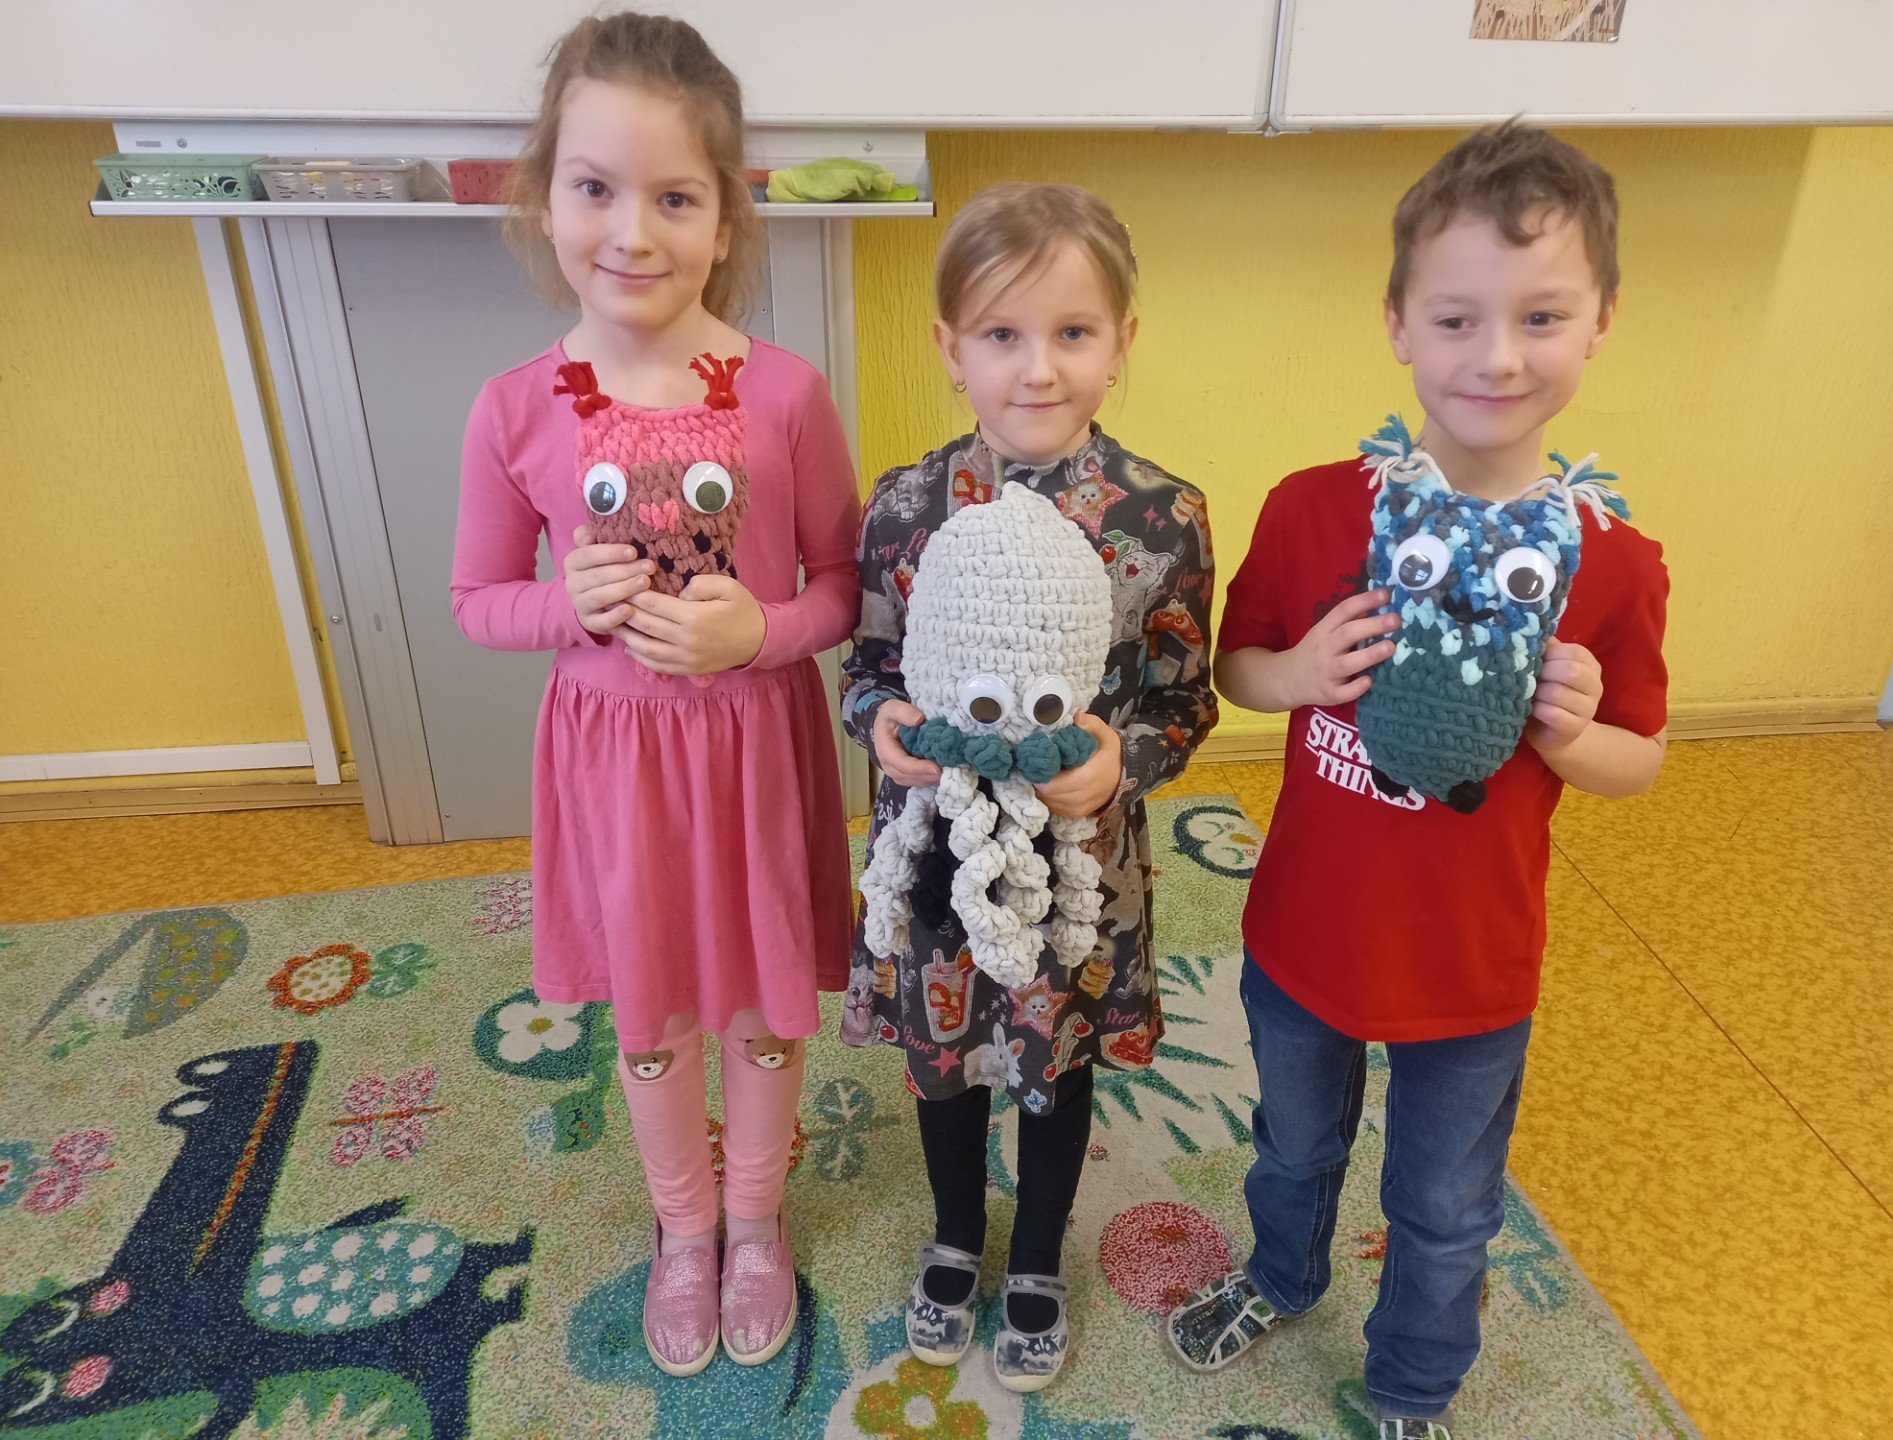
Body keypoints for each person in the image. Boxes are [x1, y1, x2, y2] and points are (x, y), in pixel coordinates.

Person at [1166, 121, 1670, 1440]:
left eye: (1541, 316)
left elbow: (1641, 760)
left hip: (1471, 963)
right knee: (1293, 1146)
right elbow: (1235, 668)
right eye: (1457, 318)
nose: (1496, 356)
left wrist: (1572, 732)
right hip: (1307, 933)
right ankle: (1282, 1278)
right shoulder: (1313, 508)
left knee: (1445, 1207)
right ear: (1398, 323)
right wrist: (1300, 672)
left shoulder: (1610, 559)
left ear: (1601, 321)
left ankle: (1411, 1386)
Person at [449, 12, 861, 1378]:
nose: (633, 232)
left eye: (675, 197)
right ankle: (684, 1230)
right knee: (653, 1016)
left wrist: (760, 632)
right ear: (543, 194)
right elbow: (477, 598)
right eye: (596, 188)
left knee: (759, 1007)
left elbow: (845, 585)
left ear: (727, 216)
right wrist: (566, 608)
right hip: (616, 768)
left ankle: (755, 1222)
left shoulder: (784, 395)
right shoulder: (515, 407)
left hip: (754, 755)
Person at [841, 181, 1218, 1392]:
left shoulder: (1163, 518)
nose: (1038, 367)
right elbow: (868, 667)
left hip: (1077, 864)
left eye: (1073, 331)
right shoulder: (903, 505)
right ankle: (957, 1234)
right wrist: (883, 724)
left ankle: (1041, 1252)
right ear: (951, 348)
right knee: (945, 1053)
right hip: (939, 853)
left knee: (1057, 1061)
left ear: (1121, 341)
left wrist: (1121, 764)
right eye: (1002, 333)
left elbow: (1183, 699)